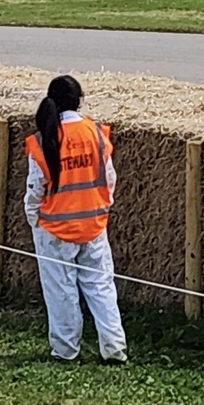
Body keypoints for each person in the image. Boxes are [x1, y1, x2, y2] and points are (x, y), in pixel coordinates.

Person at [24, 75, 127, 364]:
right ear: (80, 100)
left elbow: (36, 188)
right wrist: (102, 207)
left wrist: (34, 218)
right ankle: (115, 349)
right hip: (94, 225)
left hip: (54, 228)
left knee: (61, 291)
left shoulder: (42, 139)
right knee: (102, 287)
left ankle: (66, 350)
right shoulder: (95, 132)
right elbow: (109, 178)